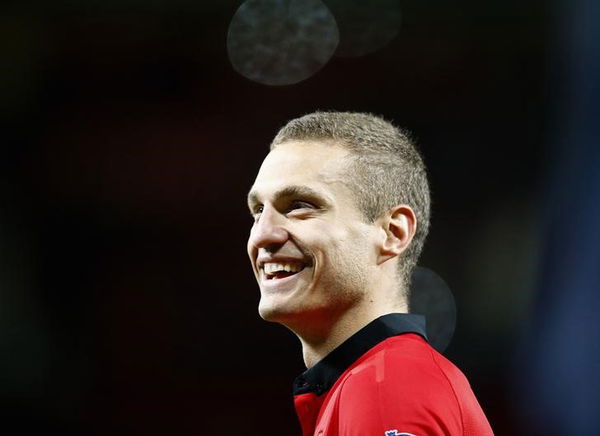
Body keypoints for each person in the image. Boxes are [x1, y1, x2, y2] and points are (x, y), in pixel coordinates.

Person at [246, 111, 493, 435]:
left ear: (393, 233)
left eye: (299, 205)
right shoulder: (372, 382)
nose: (262, 235)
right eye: (258, 211)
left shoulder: (385, 388)